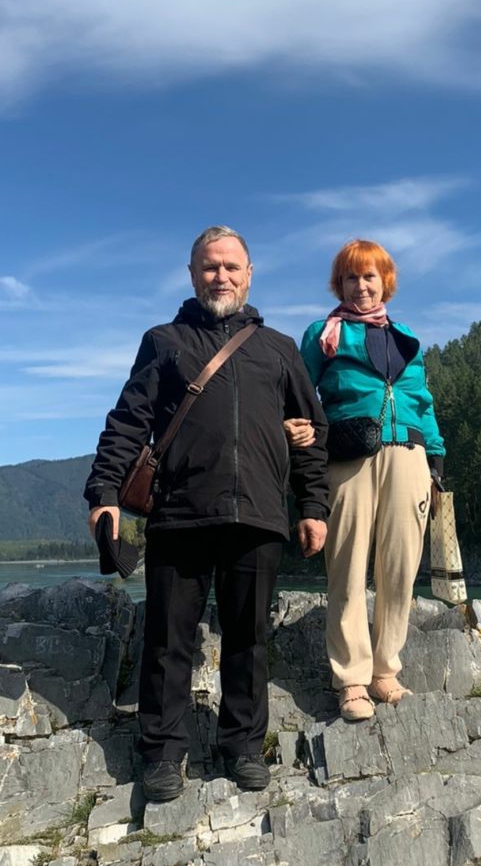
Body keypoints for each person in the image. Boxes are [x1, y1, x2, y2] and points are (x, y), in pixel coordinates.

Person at [84, 226, 328, 801]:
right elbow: (127, 423)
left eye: (231, 267)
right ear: (193, 275)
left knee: (249, 639)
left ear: (249, 275)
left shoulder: (280, 349)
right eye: (210, 267)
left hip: (259, 515)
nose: (221, 276)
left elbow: (312, 433)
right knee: (167, 640)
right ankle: (163, 752)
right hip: (180, 513)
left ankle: (242, 746)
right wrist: (104, 494)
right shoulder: (163, 341)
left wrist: (313, 506)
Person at [287, 239, 445, 722]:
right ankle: (351, 679)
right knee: (348, 566)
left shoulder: (405, 336)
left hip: (409, 455)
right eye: (351, 278)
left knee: (400, 568)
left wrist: (435, 456)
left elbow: (422, 399)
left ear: (385, 282)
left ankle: (385, 671)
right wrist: (298, 430)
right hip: (348, 456)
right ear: (340, 284)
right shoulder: (322, 334)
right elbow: (297, 394)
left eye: (369, 276)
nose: (361, 286)